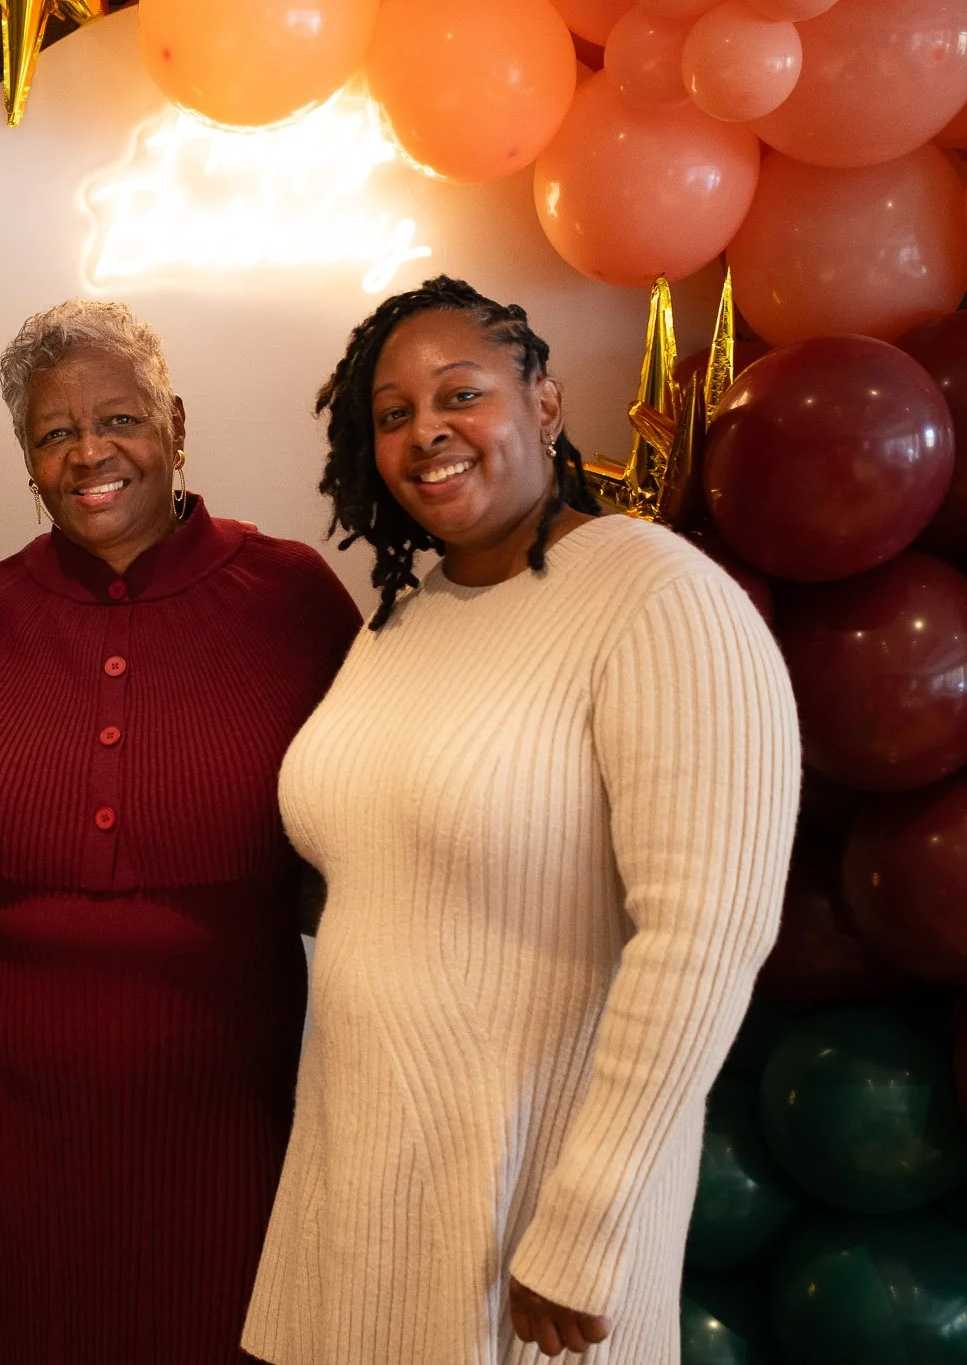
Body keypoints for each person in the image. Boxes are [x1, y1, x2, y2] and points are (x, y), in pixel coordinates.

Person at [241, 276, 801, 1364]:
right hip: (352, 1211)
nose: (425, 431)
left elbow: (703, 938)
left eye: (461, 394)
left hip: (528, 1228)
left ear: (543, 404)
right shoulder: (403, 620)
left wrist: (590, 1216)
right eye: (393, 414)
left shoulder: (659, 597)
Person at [0, 299, 362, 1363]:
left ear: (174, 422)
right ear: (27, 460)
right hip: (15, 1113)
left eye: (118, 418)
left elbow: (374, 824)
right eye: (54, 432)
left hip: (226, 1102)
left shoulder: (291, 599)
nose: (89, 453)